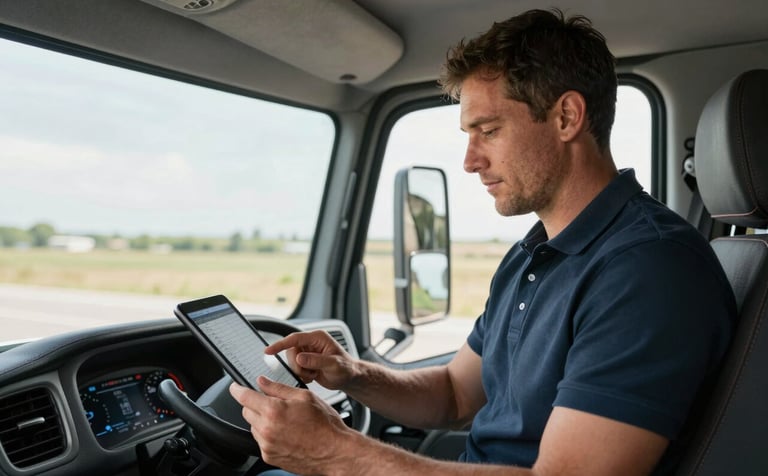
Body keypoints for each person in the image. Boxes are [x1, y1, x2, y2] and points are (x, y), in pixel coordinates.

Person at [229, 8, 736, 476]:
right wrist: (352, 374)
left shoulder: (648, 270)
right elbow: (454, 395)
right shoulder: (534, 254)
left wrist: (335, 450)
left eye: (488, 130)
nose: (470, 161)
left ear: (566, 117)